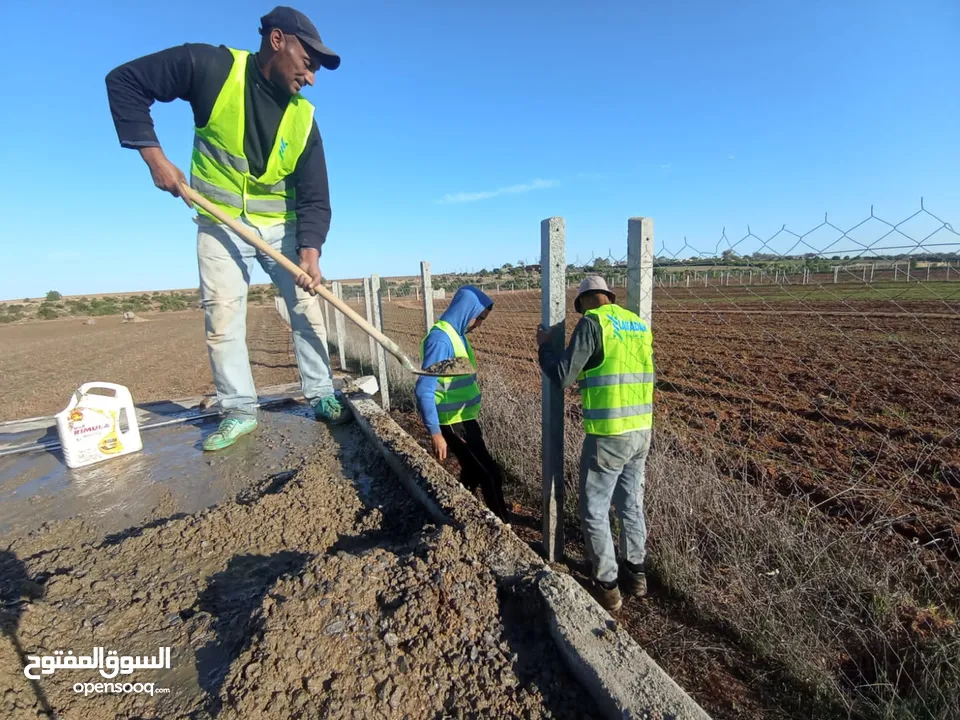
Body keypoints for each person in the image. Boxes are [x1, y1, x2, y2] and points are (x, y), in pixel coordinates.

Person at [105, 6, 349, 452]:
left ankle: (323, 395)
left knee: (306, 309)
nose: (311, 78)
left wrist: (310, 252)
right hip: (219, 221)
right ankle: (238, 410)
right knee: (222, 317)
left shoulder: (304, 118)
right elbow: (124, 81)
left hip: (281, 227)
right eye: (308, 64)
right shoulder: (211, 68)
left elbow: (315, 195)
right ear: (278, 41)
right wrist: (154, 157)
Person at [536, 276, 655, 612]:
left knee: (594, 510)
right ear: (608, 296)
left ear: (584, 302)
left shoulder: (592, 323)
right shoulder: (636, 324)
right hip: (641, 429)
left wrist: (545, 345)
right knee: (631, 504)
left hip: (609, 433)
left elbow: (561, 375)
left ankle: (607, 585)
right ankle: (637, 575)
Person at [415, 286, 510, 522]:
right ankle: (503, 526)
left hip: (464, 417)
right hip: (452, 422)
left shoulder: (457, 335)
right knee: (489, 473)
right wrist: (436, 433)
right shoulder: (441, 340)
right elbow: (424, 389)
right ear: (466, 310)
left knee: (472, 470)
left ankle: (451, 511)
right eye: (479, 318)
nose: (479, 324)